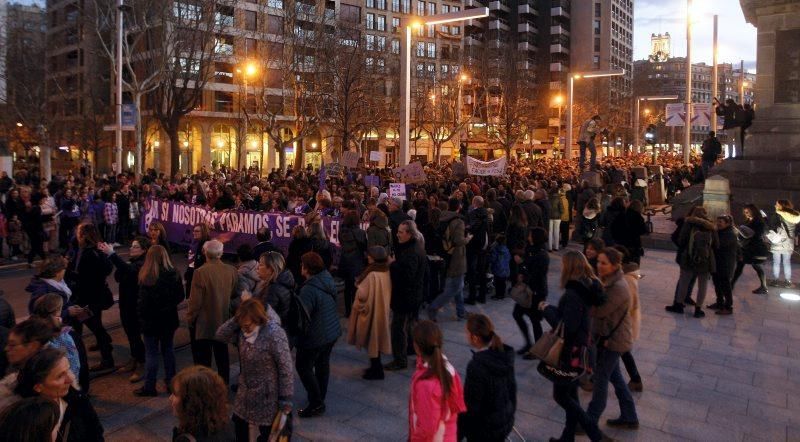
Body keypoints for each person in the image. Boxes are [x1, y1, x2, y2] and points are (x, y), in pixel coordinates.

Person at [538, 251, 608, 442]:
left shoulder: (573, 293)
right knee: (571, 394)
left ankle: (595, 435)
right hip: (582, 346)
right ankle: (567, 438)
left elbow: (567, 327)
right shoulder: (586, 286)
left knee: (561, 396)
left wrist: (546, 310)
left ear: (568, 267)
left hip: (571, 351)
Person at [215, 299, 293, 441]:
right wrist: (236, 319)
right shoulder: (242, 332)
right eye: (242, 325)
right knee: (239, 429)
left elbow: (285, 367)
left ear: (258, 319)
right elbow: (220, 335)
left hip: (267, 396)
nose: (244, 329)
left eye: (247, 325)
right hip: (245, 394)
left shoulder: (274, 333)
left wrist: (286, 399)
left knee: (268, 434)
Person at [587, 248, 639, 431]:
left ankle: (590, 420)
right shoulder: (608, 281)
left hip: (614, 341)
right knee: (615, 377)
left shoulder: (618, 287)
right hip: (607, 338)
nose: (599, 266)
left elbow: (599, 311)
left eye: (604, 263)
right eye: (598, 262)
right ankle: (630, 417)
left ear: (616, 265)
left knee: (601, 379)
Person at [15, 348, 104, 442]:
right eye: (60, 376)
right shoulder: (25, 421)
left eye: (68, 370)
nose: (70, 379)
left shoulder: (78, 399)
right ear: (38, 387)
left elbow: (96, 434)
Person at [295, 252, 341, 418]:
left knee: (303, 366)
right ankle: (320, 396)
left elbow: (302, 318)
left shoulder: (308, 289)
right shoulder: (326, 278)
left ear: (306, 268)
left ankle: (316, 402)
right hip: (331, 331)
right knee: (322, 364)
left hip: (317, 336)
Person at [187, 239, 239, 385]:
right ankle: (224, 384)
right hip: (223, 320)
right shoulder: (231, 270)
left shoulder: (200, 272)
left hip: (204, 322)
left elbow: (195, 302)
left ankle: (206, 386)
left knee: (204, 358)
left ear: (205, 253)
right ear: (221, 253)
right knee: (222, 355)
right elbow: (234, 293)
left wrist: (190, 318)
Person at [457, 314, 516, 442]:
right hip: (504, 422)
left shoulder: (476, 366)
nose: (466, 336)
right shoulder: (504, 354)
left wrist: (458, 434)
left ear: (475, 337)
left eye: (467, 332)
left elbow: (471, 407)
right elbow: (512, 391)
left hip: (485, 430)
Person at [99, 236, 150, 382]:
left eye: (135, 246)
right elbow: (118, 275)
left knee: (135, 333)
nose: (131, 248)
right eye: (132, 246)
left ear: (144, 250)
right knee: (129, 332)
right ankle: (134, 358)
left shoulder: (143, 263)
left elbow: (128, 272)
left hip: (135, 304)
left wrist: (112, 254)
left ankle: (142, 363)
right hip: (126, 303)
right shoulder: (132, 261)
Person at [135, 245, 185, 397]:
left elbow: (143, 304)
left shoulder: (147, 276)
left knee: (151, 354)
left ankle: (150, 386)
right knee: (168, 351)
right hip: (168, 320)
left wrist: (141, 318)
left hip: (151, 322)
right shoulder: (174, 273)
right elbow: (180, 297)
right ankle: (171, 383)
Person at [65, 223, 115, 371]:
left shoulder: (89, 254)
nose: (76, 235)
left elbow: (84, 279)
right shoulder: (93, 249)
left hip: (87, 298)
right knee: (92, 323)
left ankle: (107, 356)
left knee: (94, 326)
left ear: (84, 235)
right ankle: (101, 345)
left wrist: (68, 271)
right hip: (94, 295)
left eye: (79, 232)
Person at [408, 320, 466, 441]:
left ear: (416, 347)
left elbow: (427, 430)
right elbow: (457, 405)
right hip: (448, 433)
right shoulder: (448, 368)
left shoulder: (426, 385)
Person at [347, 246, 392, 380]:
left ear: (374, 258)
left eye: (370, 255)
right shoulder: (385, 270)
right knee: (375, 341)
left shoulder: (372, 274)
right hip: (380, 310)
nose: (368, 257)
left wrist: (358, 306)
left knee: (372, 340)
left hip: (370, 312)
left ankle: (376, 370)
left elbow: (362, 295)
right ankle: (375, 368)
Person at [387, 221, 427, 371]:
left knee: (397, 327)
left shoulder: (411, 252)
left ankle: (400, 359)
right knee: (409, 324)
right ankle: (410, 349)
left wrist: (393, 264)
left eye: (401, 232)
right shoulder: (415, 247)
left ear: (409, 234)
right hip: (413, 295)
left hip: (405, 297)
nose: (397, 234)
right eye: (398, 231)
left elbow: (407, 277)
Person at [666, 206, 718, 318]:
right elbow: (716, 245)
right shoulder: (711, 226)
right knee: (702, 285)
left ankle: (678, 305)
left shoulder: (688, 223)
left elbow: (681, 240)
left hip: (689, 259)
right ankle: (698, 309)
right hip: (705, 260)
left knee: (684, 282)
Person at [170, 366, 235, 442]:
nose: (170, 398)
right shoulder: (228, 425)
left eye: (175, 394)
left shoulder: (186, 439)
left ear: (192, 403)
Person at [428, 199, 468, 322]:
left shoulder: (443, 218)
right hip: (456, 257)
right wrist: (468, 238)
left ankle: (461, 311)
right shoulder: (458, 221)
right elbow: (458, 240)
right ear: (459, 207)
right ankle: (433, 307)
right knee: (453, 287)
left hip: (446, 254)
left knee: (458, 285)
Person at [1, 318, 54, 409]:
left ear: (33, 346)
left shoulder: (43, 381)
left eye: (12, 345)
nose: (6, 349)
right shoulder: (19, 367)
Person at [514, 227, 549, 358]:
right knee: (517, 314)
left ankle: (537, 350)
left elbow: (536, 275)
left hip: (536, 292)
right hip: (527, 290)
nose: (528, 237)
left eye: (530, 235)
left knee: (535, 320)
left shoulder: (542, 255)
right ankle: (529, 343)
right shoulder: (530, 250)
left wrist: (521, 264)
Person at [31, 294, 81, 381]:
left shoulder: (32, 327)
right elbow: (73, 359)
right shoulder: (63, 334)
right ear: (58, 310)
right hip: (64, 377)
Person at [250, 251, 294, 328]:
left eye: (260, 265)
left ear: (271, 269)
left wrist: (247, 302)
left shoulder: (273, 290)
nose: (257, 268)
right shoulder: (283, 284)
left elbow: (262, 317)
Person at [732, 204, 769, 295]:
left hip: (754, 248)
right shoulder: (749, 220)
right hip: (747, 247)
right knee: (743, 265)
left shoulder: (759, 221)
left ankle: (763, 287)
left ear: (753, 211)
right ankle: (731, 284)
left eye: (748, 211)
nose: (746, 213)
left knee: (752, 266)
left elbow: (755, 234)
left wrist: (742, 232)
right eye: (745, 212)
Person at [339, 210, 368, 317]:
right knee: (356, 288)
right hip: (357, 262)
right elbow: (365, 247)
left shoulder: (342, 231)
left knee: (347, 288)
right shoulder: (361, 233)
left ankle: (348, 311)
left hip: (345, 261)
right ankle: (356, 311)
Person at [708, 215, 739, 316]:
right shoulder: (721, 232)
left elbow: (718, 245)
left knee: (725, 285)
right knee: (717, 283)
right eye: (718, 221)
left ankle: (728, 306)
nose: (718, 223)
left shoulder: (730, 234)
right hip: (718, 262)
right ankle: (719, 302)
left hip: (725, 263)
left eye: (721, 222)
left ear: (727, 223)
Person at [767, 200, 800, 288]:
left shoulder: (778, 215)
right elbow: (797, 230)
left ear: (782, 206)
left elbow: (772, 227)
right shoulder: (795, 215)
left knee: (776, 262)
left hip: (778, 241)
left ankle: (776, 280)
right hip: (789, 242)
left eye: (777, 204)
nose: (775, 205)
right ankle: (788, 281)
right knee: (787, 262)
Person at [465, 196, 489, 304]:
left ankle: (472, 297)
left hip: (473, 244)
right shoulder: (486, 214)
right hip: (483, 244)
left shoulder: (473, 214)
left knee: (472, 271)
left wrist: (467, 228)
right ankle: (482, 296)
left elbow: (472, 227)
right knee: (482, 270)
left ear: (474, 203)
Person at [184, 223, 209, 298]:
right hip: (191, 273)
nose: (194, 233)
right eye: (194, 231)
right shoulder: (194, 243)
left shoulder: (206, 245)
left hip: (199, 277)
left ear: (203, 232)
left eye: (197, 231)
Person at [488, 234, 511, 300]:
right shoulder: (506, 249)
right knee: (503, 283)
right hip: (505, 269)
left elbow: (493, 259)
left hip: (497, 269)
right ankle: (502, 294)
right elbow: (509, 258)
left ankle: (498, 294)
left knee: (497, 283)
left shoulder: (495, 249)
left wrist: (489, 258)